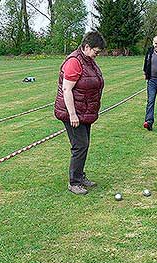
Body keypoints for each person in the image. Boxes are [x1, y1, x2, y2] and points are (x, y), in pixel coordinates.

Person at [54, 31, 106, 195]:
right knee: (80, 145)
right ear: (87, 47)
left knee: (84, 145)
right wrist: (73, 115)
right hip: (73, 112)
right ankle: (74, 182)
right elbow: (67, 89)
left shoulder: (88, 60)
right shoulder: (74, 62)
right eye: (96, 52)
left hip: (85, 111)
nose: (97, 55)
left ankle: (80, 176)